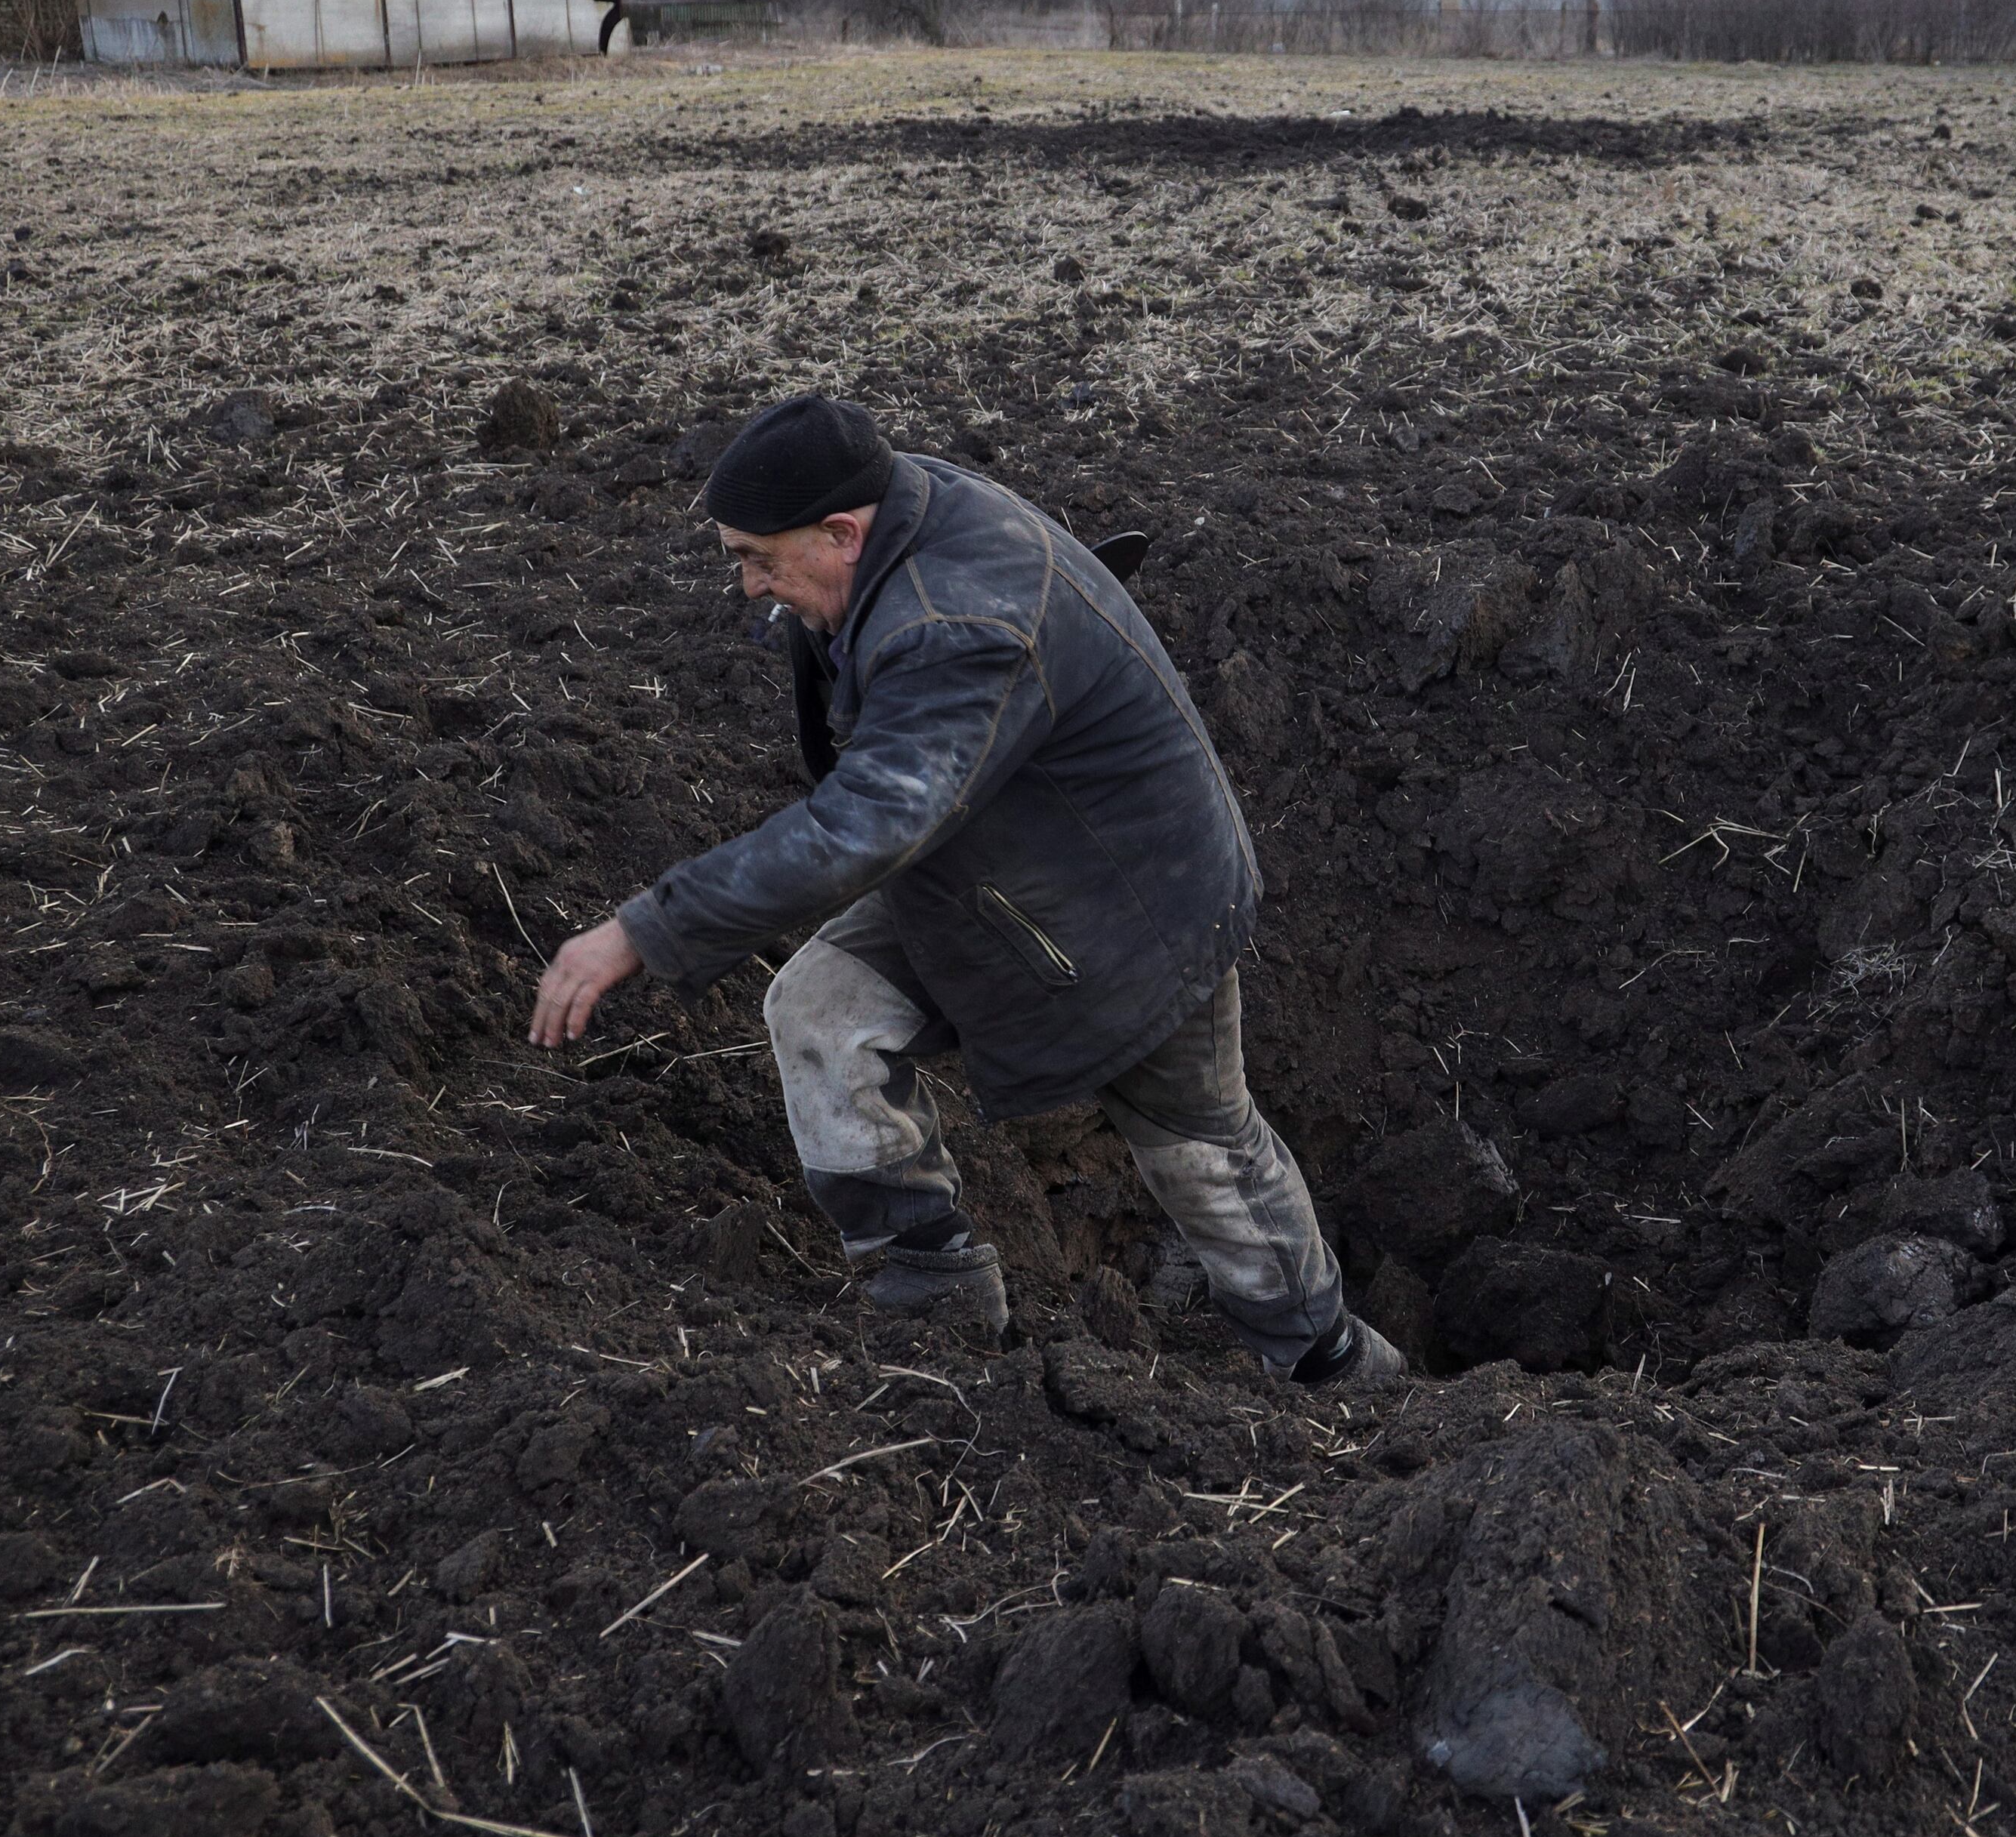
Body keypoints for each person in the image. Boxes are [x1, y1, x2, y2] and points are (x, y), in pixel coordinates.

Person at [529, 394, 1403, 1389]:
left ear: (842, 532)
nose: (747, 586)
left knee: (1199, 1150)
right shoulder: (898, 517)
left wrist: (648, 927)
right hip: (985, 876)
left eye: (758, 558)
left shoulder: (953, 622)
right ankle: (935, 1320)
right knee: (819, 1012)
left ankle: (1331, 1370)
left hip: (1138, 911)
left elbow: (868, 823)